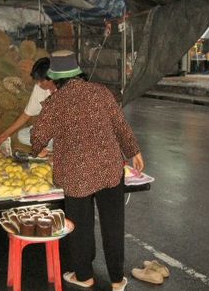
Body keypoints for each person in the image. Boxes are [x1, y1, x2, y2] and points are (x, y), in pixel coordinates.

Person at [30, 50, 144, 291]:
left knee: (80, 227)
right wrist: (134, 152)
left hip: (76, 174)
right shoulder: (101, 92)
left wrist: (36, 149)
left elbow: (37, 137)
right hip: (110, 169)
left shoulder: (55, 103)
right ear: (77, 72)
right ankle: (116, 279)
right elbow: (120, 124)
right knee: (113, 226)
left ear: (56, 78)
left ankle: (84, 276)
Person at [0, 57, 57, 152]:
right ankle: (50, 147)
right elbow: (26, 115)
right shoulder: (39, 88)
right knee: (22, 135)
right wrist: (5, 135)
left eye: (41, 81)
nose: (38, 84)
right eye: (37, 81)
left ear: (51, 79)